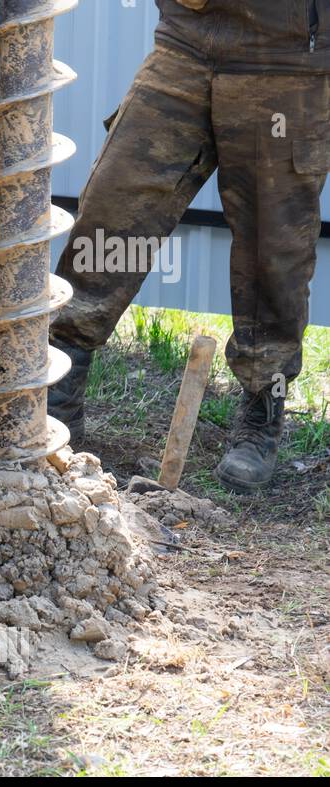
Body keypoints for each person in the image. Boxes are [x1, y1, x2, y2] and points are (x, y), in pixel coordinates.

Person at [49, 0, 330, 493]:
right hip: (187, 40)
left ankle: (263, 410)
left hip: (288, 61)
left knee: (275, 249)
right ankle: (60, 381)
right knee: (116, 206)